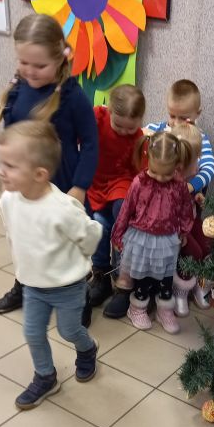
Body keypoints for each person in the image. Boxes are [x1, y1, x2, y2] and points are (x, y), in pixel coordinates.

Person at [0, 14, 98, 324]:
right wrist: (8, 174)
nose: (30, 71)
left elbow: (91, 143)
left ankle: (79, 295)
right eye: (23, 62)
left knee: (67, 243)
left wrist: (80, 186)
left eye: (39, 65)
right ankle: (24, 285)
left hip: (64, 183)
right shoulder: (17, 91)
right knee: (27, 237)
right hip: (25, 185)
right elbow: (11, 141)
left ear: (60, 58)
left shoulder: (72, 96)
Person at [0, 120, 102, 410]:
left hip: (67, 286)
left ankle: (87, 349)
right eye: (1, 163)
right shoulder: (8, 200)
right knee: (32, 332)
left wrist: (81, 260)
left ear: (40, 174)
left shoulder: (62, 209)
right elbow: (13, 233)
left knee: (69, 331)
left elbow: (91, 233)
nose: (1, 171)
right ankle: (45, 376)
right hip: (33, 284)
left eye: (10, 166)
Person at [111, 131, 194, 334]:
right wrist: (117, 235)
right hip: (142, 238)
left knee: (166, 278)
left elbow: (185, 208)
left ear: (177, 166)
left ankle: (164, 310)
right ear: (148, 159)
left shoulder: (179, 185)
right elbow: (127, 209)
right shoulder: (139, 182)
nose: (160, 178)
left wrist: (184, 231)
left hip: (167, 239)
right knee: (143, 277)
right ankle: (137, 308)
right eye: (155, 172)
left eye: (167, 174)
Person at [146, 79, 214, 311]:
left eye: (183, 118)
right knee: (181, 249)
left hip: (189, 209)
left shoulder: (199, 138)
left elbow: (209, 169)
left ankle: (190, 284)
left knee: (201, 247)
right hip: (162, 212)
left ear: (197, 114)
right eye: (172, 115)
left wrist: (190, 187)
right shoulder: (158, 130)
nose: (175, 122)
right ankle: (171, 289)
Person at [87, 84, 145, 308]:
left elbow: (141, 172)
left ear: (140, 121)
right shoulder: (97, 117)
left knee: (123, 212)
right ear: (109, 110)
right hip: (96, 181)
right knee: (98, 224)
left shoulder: (139, 137)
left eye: (130, 128)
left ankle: (123, 275)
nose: (123, 132)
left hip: (122, 182)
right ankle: (100, 273)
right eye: (118, 125)